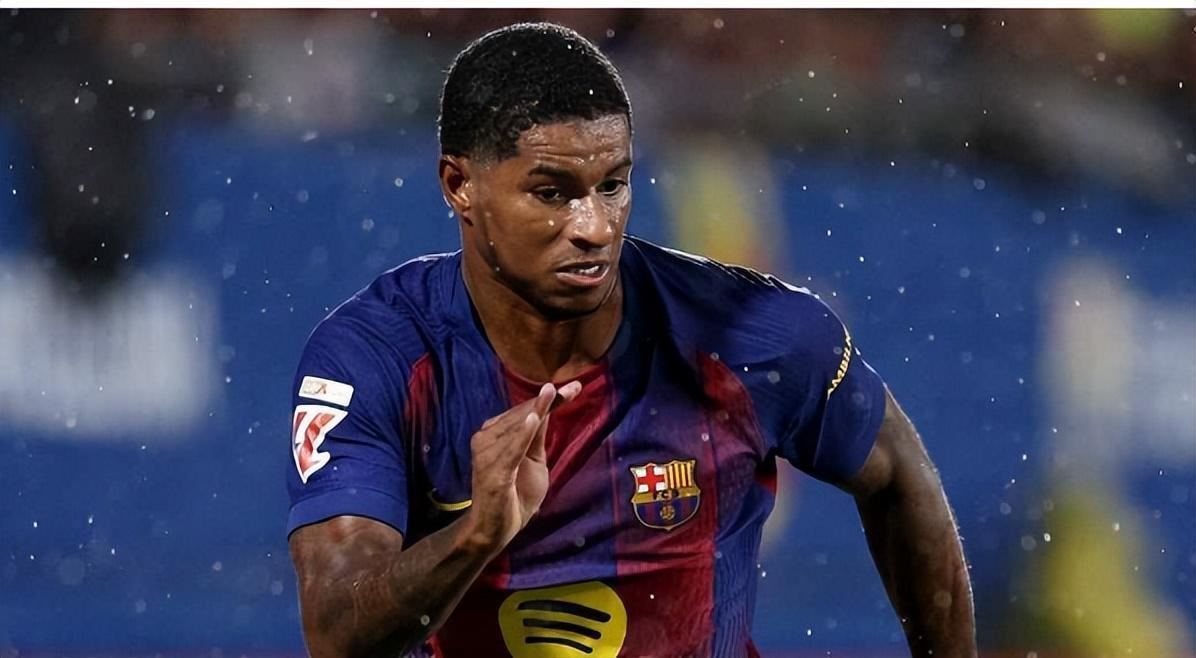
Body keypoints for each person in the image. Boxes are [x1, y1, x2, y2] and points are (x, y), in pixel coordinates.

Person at [286, 22, 976, 658]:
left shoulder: (751, 334)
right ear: (459, 184)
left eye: (612, 185)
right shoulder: (372, 359)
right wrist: (474, 536)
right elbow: (337, 633)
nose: (594, 226)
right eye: (552, 193)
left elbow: (900, 477)